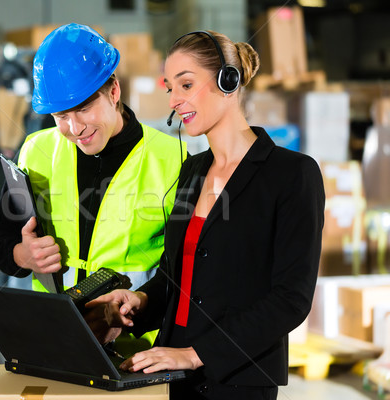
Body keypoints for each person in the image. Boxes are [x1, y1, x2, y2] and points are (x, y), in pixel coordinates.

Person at [86, 30, 325, 399]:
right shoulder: (193, 170)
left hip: (236, 379)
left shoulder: (291, 174)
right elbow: (175, 275)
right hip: (170, 371)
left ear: (227, 80)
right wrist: (142, 302)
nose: (175, 100)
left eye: (186, 84)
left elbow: (291, 299)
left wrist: (195, 355)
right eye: (170, 88)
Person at [0, 23, 187, 355]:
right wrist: (24, 255)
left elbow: (181, 270)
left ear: (113, 91)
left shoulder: (172, 158)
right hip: (53, 336)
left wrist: (134, 307)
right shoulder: (37, 150)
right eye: (61, 116)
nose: (74, 129)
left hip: (133, 348)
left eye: (83, 109)